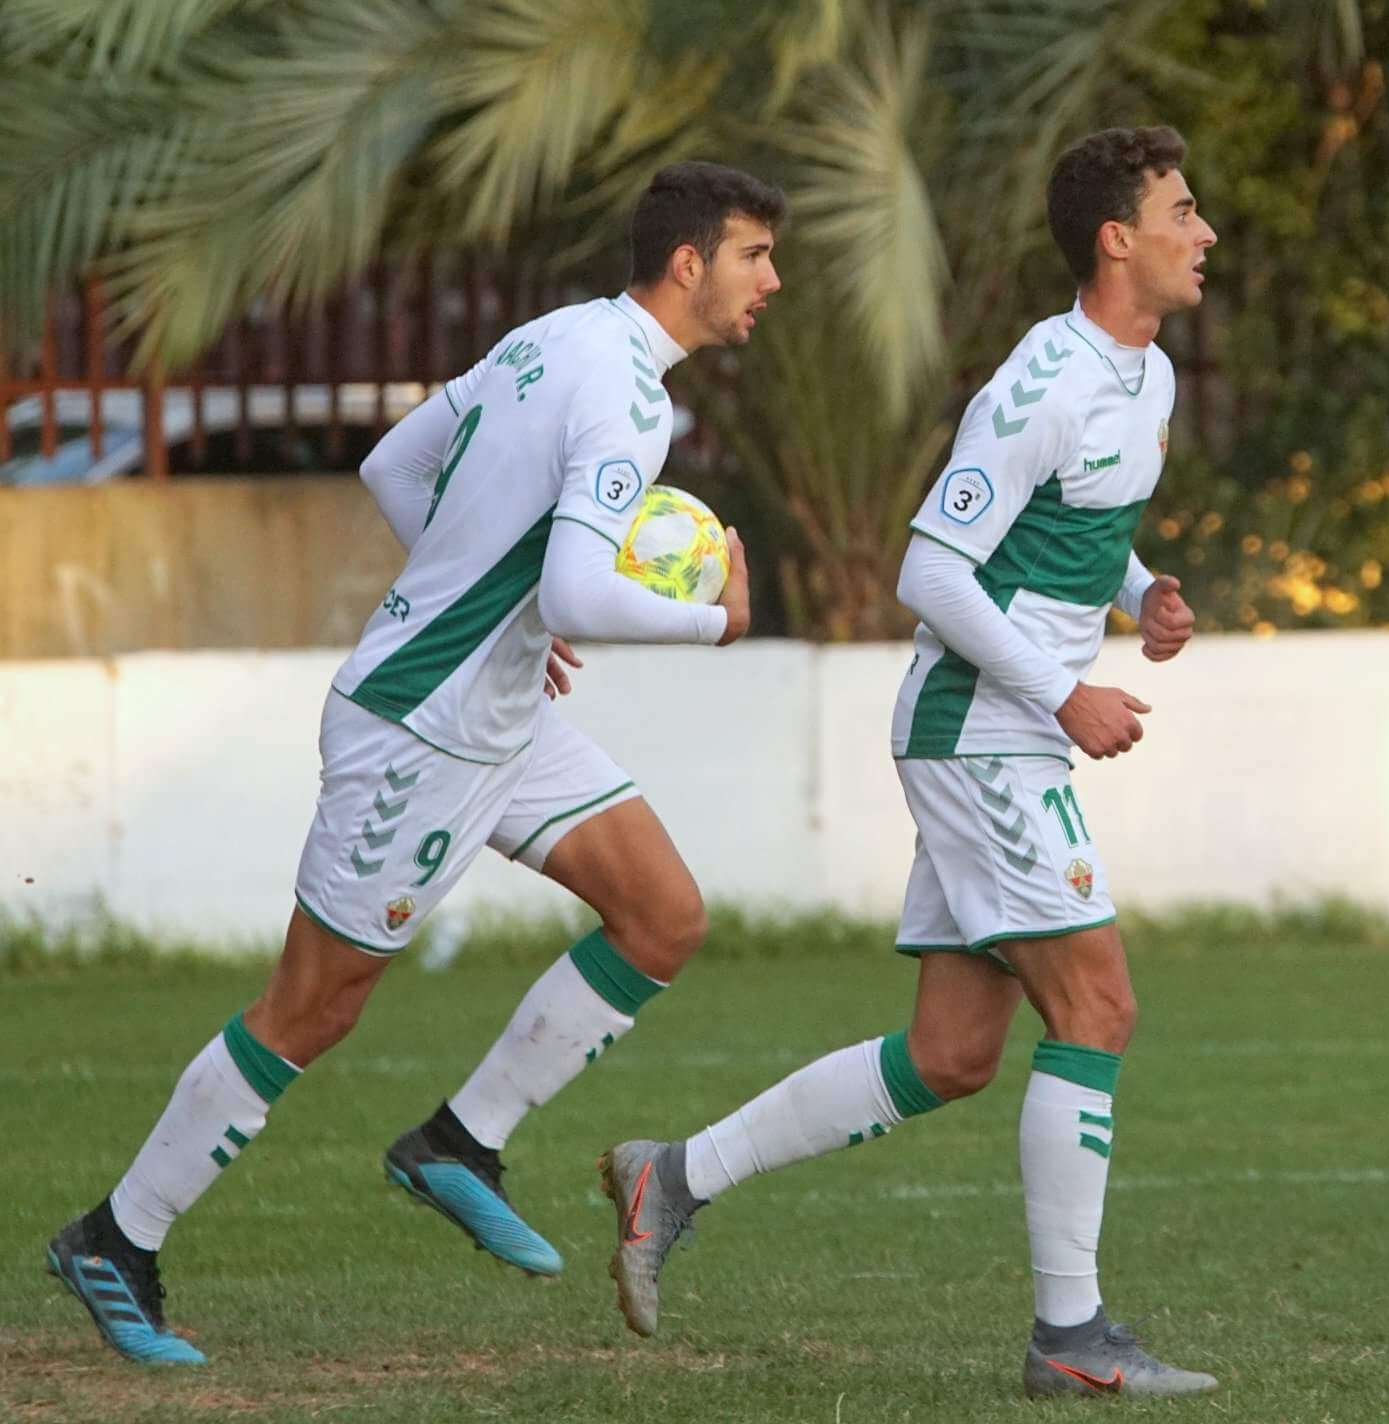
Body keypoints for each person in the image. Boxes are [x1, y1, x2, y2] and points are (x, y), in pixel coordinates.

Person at [44, 160, 784, 1367]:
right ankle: (114, 1238)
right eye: (755, 254)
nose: (771, 280)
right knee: (313, 1004)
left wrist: (492, 617)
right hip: (420, 728)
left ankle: (457, 1142)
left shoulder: (553, 338)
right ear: (689, 262)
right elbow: (573, 587)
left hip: (493, 706)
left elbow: (392, 463)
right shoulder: (628, 396)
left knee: (661, 913)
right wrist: (717, 621)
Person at [596, 126, 1217, 1400]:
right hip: (977, 724)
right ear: (1116, 239)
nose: (1203, 234)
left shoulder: (1143, 377)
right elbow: (928, 570)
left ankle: (676, 1172)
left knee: (948, 1054)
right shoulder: (1038, 380)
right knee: (1095, 1007)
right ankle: (1069, 1335)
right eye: (1182, 211)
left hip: (1006, 724)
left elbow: (1070, 534)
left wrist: (1143, 592)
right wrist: (1062, 687)